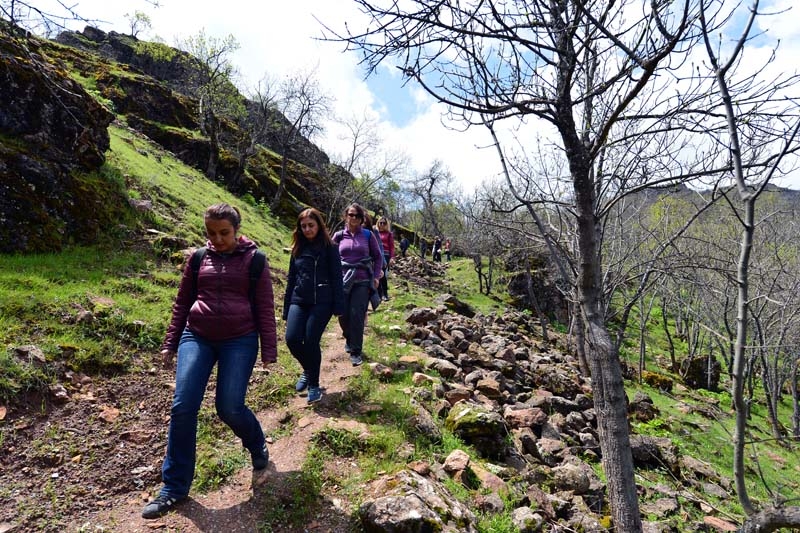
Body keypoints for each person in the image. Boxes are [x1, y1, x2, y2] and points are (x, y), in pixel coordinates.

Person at [142, 203, 277, 519]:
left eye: (224, 233)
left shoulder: (255, 261)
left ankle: (257, 445)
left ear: (237, 230)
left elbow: (265, 309)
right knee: (183, 405)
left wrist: (269, 352)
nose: (217, 239)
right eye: (211, 233)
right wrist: (170, 343)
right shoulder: (198, 258)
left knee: (229, 407)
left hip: (239, 339)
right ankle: (173, 488)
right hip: (197, 335)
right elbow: (182, 303)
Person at [283, 208, 344, 404]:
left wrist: (339, 305)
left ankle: (314, 385)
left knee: (310, 341)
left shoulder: (330, 247)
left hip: (322, 301)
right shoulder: (297, 248)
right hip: (299, 299)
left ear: (319, 225)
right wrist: (286, 308)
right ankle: (308, 370)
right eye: (304, 226)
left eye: (311, 225)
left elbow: (337, 277)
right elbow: (291, 278)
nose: (308, 229)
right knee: (292, 339)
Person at [333, 203, 383, 366]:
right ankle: (349, 338)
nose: (353, 218)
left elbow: (378, 256)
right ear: (345, 216)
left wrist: (376, 276)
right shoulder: (339, 236)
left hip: (362, 280)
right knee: (343, 314)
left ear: (361, 219)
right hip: (342, 280)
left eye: (356, 215)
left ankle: (356, 351)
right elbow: (329, 255)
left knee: (357, 315)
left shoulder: (368, 235)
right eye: (350, 214)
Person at [375, 216, 395, 301]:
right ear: (378, 223)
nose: (382, 224)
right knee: (377, 274)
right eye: (380, 222)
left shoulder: (389, 234)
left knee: (382, 274)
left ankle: (385, 294)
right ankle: (379, 294)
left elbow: (392, 247)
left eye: (384, 223)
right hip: (376, 254)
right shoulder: (375, 233)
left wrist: (392, 258)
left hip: (385, 255)